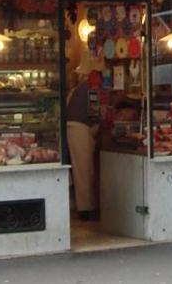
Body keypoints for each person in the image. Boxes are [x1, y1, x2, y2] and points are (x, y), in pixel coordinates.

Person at [66, 51, 99, 221]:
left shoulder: (78, 89)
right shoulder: (90, 87)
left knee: (83, 170)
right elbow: (95, 114)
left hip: (75, 128)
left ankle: (87, 207)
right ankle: (86, 210)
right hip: (80, 128)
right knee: (84, 171)